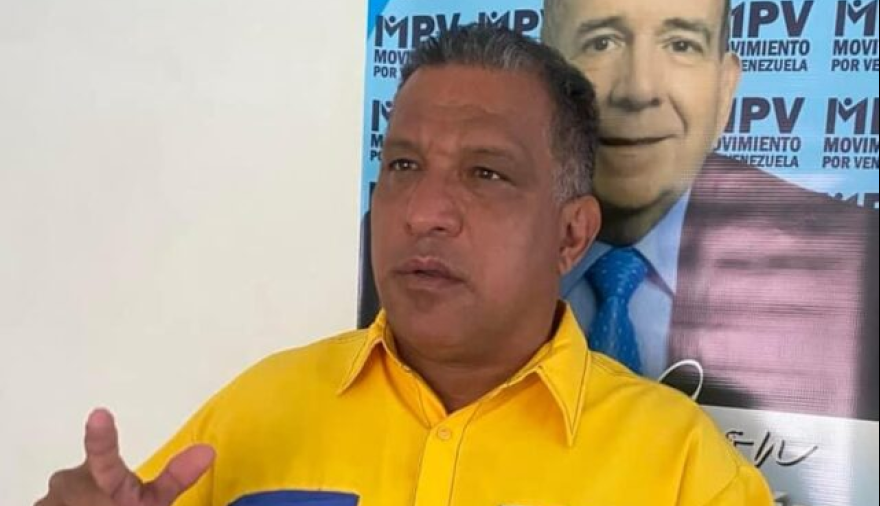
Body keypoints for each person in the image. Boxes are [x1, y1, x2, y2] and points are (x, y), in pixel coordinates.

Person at [36, 25, 773, 506]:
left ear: (572, 234)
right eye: (403, 165)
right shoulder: (259, 410)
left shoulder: (681, 468)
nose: (424, 211)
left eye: (486, 174)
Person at [541, 0, 879, 419]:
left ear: (725, 90)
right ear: (541, 80)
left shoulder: (862, 265)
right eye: (602, 43)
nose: (638, 90)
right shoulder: (470, 244)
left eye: (681, 44)